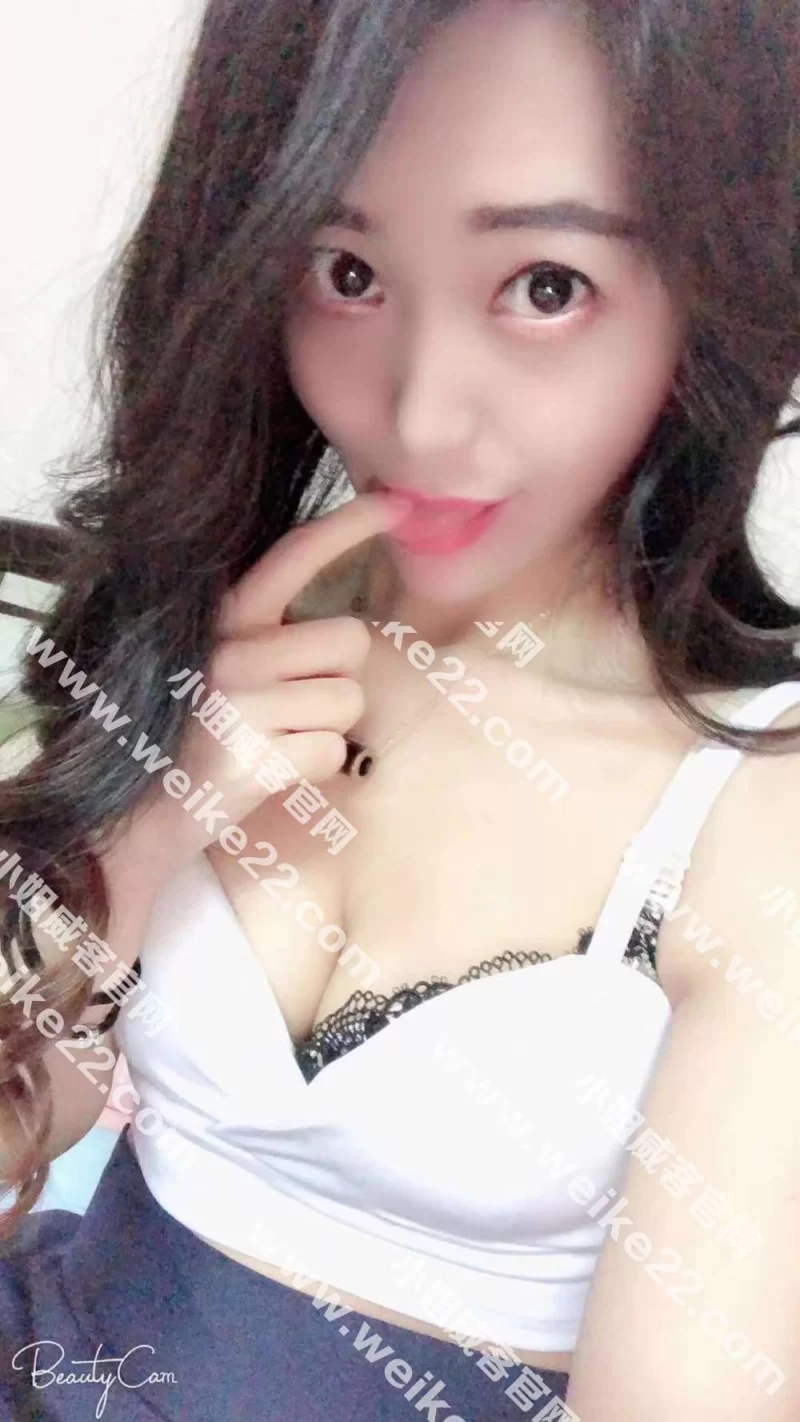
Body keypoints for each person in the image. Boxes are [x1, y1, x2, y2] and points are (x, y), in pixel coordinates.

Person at [1, 0, 800, 1417]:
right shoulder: (231, 619)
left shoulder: (751, 808)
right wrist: (155, 816)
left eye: (546, 285)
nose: (421, 415)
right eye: (350, 271)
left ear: (719, 292)